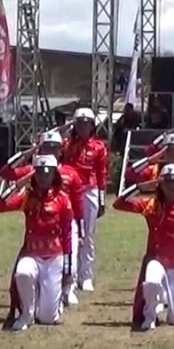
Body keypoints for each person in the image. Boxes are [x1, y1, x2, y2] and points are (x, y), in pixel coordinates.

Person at [0, 130, 86, 306]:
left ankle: (67, 290)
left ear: (61, 150)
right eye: (46, 147)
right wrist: (29, 153)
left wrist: (81, 230)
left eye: (54, 148)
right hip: (42, 220)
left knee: (70, 262)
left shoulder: (71, 173)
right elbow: (6, 172)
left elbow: (78, 204)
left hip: (66, 219)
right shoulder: (33, 171)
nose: (50, 151)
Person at [0, 154, 75, 332]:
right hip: (31, 253)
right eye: (39, 173)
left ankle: (54, 303)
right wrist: (17, 186)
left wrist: (68, 268)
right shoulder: (27, 197)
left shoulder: (62, 199)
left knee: (48, 318)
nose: (43, 177)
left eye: (47, 173)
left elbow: (67, 234)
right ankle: (26, 314)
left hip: (54, 257)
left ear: (54, 175)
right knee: (23, 272)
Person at [115, 164, 174, 331]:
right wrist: (140, 186)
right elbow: (119, 203)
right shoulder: (151, 205)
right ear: (160, 184)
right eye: (167, 181)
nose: (171, 186)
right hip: (156, 259)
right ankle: (150, 314)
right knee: (151, 282)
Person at [61, 108, 108, 295]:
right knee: (70, 233)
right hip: (69, 191)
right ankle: (69, 276)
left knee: (87, 235)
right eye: (79, 123)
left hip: (90, 191)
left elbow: (102, 173)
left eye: (86, 123)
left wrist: (102, 200)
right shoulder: (66, 144)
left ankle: (86, 275)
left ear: (92, 126)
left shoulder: (98, 147)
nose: (83, 127)